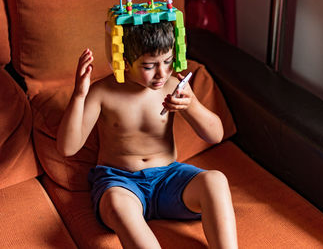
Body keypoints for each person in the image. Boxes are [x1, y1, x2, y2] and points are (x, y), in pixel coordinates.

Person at [56, 20, 238, 249]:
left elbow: (216, 135)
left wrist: (191, 106)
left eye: (168, 61)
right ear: (123, 61)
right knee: (116, 204)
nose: (161, 73)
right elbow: (67, 148)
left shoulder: (174, 85)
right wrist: (79, 96)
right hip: (121, 182)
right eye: (149, 66)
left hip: (168, 178)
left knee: (216, 180)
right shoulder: (102, 92)